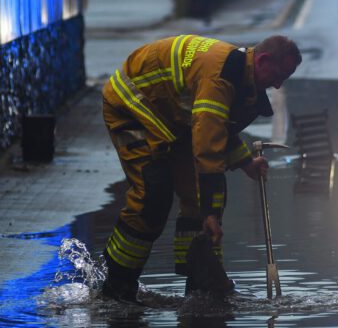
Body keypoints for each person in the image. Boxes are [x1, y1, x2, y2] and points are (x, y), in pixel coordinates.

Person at [100, 34, 302, 302]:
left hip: (170, 117)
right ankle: (117, 286)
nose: (277, 85)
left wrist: (245, 163)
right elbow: (207, 146)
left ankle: (201, 286)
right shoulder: (220, 78)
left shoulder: (238, 74)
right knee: (153, 195)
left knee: (205, 195)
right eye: (279, 75)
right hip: (132, 105)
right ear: (263, 61)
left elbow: (217, 128)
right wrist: (209, 214)